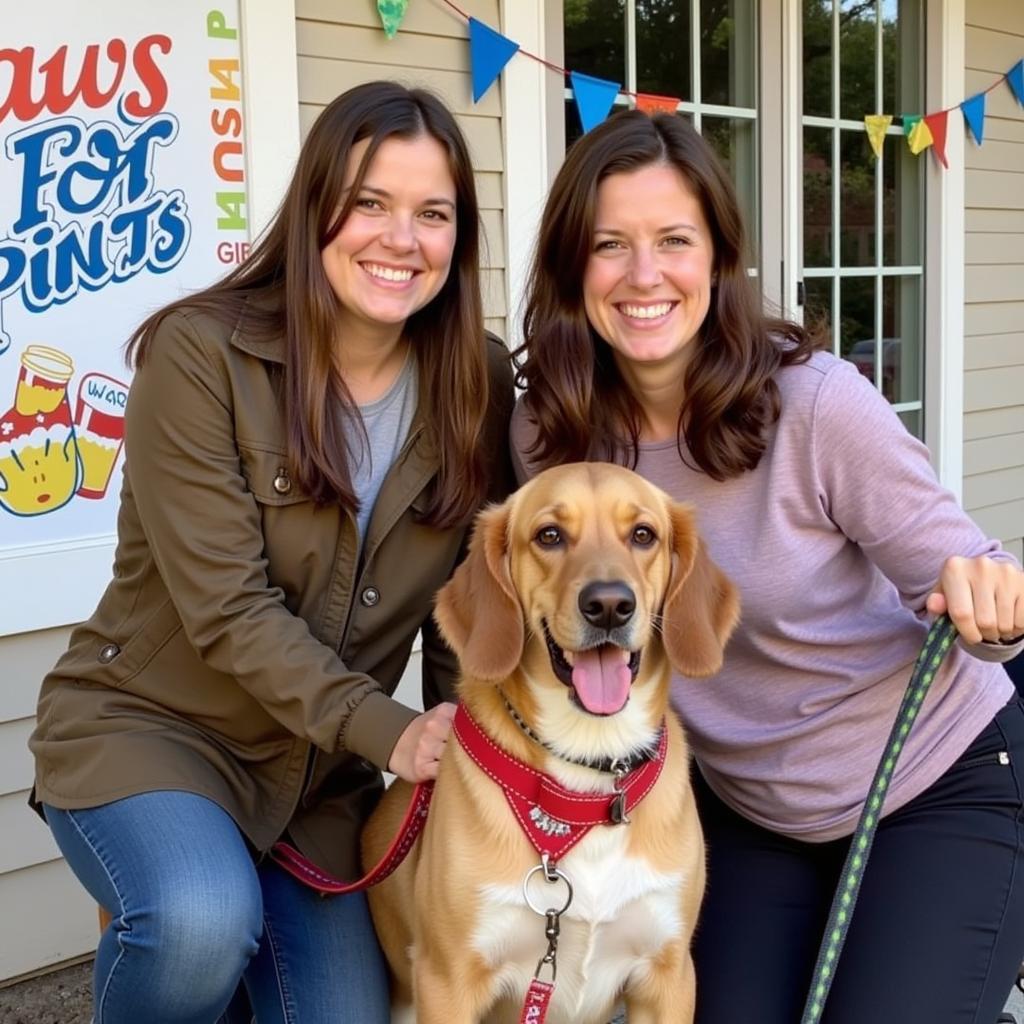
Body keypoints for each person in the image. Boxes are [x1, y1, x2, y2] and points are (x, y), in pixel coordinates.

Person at [511, 108, 1024, 1024]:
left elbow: (967, 570)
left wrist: (994, 598)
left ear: (717, 259)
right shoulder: (547, 440)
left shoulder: (815, 405)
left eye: (674, 240)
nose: (644, 276)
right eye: (609, 246)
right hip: (748, 812)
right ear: (569, 268)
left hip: (930, 784)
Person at [29, 81, 514, 1024]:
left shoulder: (477, 382)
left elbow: (471, 601)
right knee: (199, 922)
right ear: (315, 209)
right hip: (156, 733)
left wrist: (476, 753)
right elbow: (226, 608)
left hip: (319, 783)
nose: (399, 238)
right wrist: (392, 732)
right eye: (370, 202)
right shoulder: (201, 354)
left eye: (432, 213)